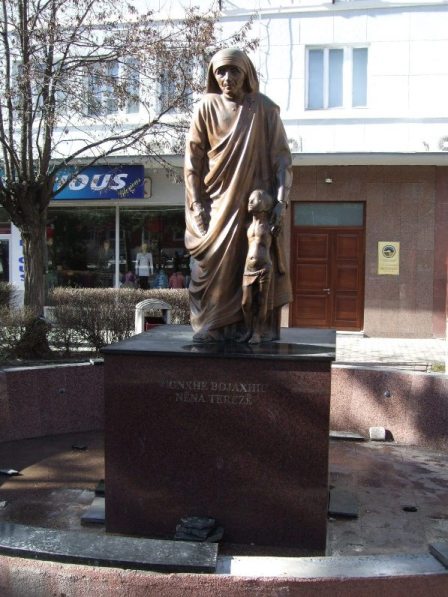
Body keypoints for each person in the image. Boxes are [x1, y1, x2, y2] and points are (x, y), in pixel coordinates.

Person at [184, 48, 292, 343]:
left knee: (249, 263)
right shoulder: (206, 107)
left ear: (246, 74)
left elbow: (282, 159)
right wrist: (196, 204)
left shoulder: (265, 109)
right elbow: (192, 161)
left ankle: (251, 327)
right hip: (216, 200)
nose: (226, 78)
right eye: (220, 71)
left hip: (252, 204)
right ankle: (213, 324)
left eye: (234, 71)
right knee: (210, 262)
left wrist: (281, 201)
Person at [239, 190, 275, 344]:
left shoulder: (271, 226)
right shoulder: (247, 225)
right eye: (249, 199)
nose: (250, 202)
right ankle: (248, 330)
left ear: (264, 204)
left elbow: (278, 249)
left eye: (254, 200)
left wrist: (281, 268)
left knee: (261, 301)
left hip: (264, 268)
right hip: (248, 269)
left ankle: (258, 333)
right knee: (246, 303)